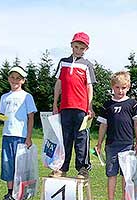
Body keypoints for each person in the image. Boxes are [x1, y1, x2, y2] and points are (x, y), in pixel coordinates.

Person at [51, 32, 96, 179]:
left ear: (86, 49)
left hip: (81, 109)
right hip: (65, 107)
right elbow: (58, 83)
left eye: (82, 48)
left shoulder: (87, 65)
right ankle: (62, 168)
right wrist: (55, 103)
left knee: (82, 139)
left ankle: (83, 168)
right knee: (65, 139)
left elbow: (89, 86)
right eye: (76, 46)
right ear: (71, 45)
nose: (78, 50)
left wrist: (90, 107)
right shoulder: (63, 62)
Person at [96, 71, 137, 200]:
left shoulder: (132, 104)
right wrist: (99, 143)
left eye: (123, 87)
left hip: (127, 145)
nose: (120, 90)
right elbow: (103, 125)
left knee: (126, 176)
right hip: (111, 145)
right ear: (112, 87)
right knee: (111, 174)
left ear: (128, 87)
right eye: (117, 87)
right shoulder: (107, 105)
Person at [0, 66, 37, 200]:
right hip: (7, 135)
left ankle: (20, 193)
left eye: (18, 78)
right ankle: (9, 193)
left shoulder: (27, 96)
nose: (15, 80)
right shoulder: (4, 97)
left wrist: (29, 137)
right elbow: (3, 115)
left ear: (23, 80)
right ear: (8, 78)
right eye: (12, 77)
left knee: (20, 167)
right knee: (8, 164)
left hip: (21, 136)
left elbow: (31, 117)